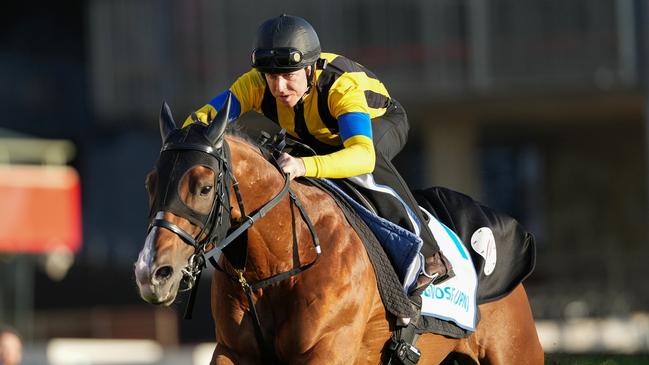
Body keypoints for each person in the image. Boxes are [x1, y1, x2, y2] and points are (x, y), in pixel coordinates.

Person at [186, 14, 452, 290]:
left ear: (310, 69)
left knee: (365, 168)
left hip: (379, 124)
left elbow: (361, 155)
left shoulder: (340, 87)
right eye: (271, 78)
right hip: (313, 135)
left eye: (289, 76)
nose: (278, 88)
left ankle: (432, 256)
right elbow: (204, 119)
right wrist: (182, 142)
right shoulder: (254, 83)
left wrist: (304, 166)